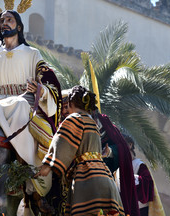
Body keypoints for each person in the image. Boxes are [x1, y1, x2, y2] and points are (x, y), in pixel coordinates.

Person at [0, 9, 61, 213]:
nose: (4, 24)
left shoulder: (32, 54)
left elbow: (51, 83)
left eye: (9, 20)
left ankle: (28, 168)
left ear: (19, 26)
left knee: (18, 106)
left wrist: (39, 89)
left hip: (24, 100)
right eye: (1, 21)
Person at [35, 85, 124, 216]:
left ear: (70, 103)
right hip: (106, 178)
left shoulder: (74, 118)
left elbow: (62, 141)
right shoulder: (93, 123)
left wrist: (48, 165)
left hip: (88, 179)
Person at [122, 135, 165, 216]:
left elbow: (147, 186)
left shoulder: (139, 165)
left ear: (130, 145)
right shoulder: (119, 166)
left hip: (140, 210)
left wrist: (131, 179)